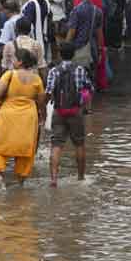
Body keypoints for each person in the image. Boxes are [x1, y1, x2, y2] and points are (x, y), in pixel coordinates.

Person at [0, 45, 45, 184]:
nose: (12, 61)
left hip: (8, 115)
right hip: (29, 117)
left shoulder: (10, 74)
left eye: (14, 58)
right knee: (25, 151)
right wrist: (42, 117)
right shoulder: (37, 79)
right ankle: (21, 183)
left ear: (19, 62)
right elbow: (41, 101)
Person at [46, 41, 93, 187]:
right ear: (73, 54)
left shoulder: (53, 71)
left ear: (60, 54)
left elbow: (48, 93)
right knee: (79, 144)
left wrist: (42, 111)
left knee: (56, 145)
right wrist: (86, 107)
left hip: (59, 111)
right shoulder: (80, 70)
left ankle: (54, 179)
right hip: (76, 111)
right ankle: (80, 177)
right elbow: (89, 89)